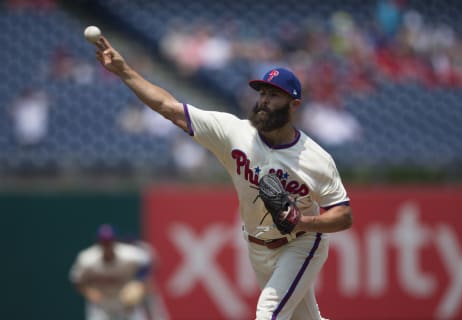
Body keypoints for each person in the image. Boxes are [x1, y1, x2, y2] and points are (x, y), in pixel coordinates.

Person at [93, 36, 353, 320]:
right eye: (262, 93)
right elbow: (168, 107)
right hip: (257, 245)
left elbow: (343, 215)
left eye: (274, 95)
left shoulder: (315, 158)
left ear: (294, 105)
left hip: (301, 242)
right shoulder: (235, 133)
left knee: (268, 314)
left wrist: (303, 221)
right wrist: (124, 71)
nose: (264, 101)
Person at [69, 224, 160, 320]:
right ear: (99, 243)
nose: (107, 245)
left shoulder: (130, 255)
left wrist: (139, 285)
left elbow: (149, 264)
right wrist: (89, 292)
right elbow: (76, 280)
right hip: (101, 304)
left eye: (109, 241)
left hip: (126, 301)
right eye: (104, 242)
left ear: (115, 241)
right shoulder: (87, 259)